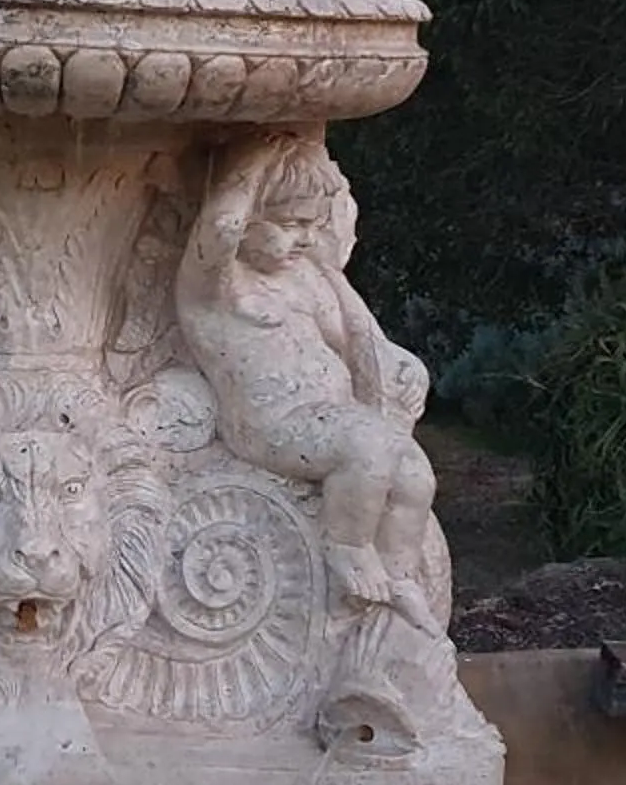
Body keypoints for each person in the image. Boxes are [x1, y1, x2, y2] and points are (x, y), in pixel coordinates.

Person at [177, 133, 437, 621]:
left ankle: (398, 575)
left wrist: (391, 364)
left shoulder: (304, 278)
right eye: (290, 224)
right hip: (271, 424)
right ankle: (347, 546)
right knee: (368, 445)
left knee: (414, 473)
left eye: (312, 226)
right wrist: (254, 159)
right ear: (249, 220)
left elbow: (355, 337)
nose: (305, 239)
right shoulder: (215, 288)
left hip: (331, 417)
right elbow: (220, 226)